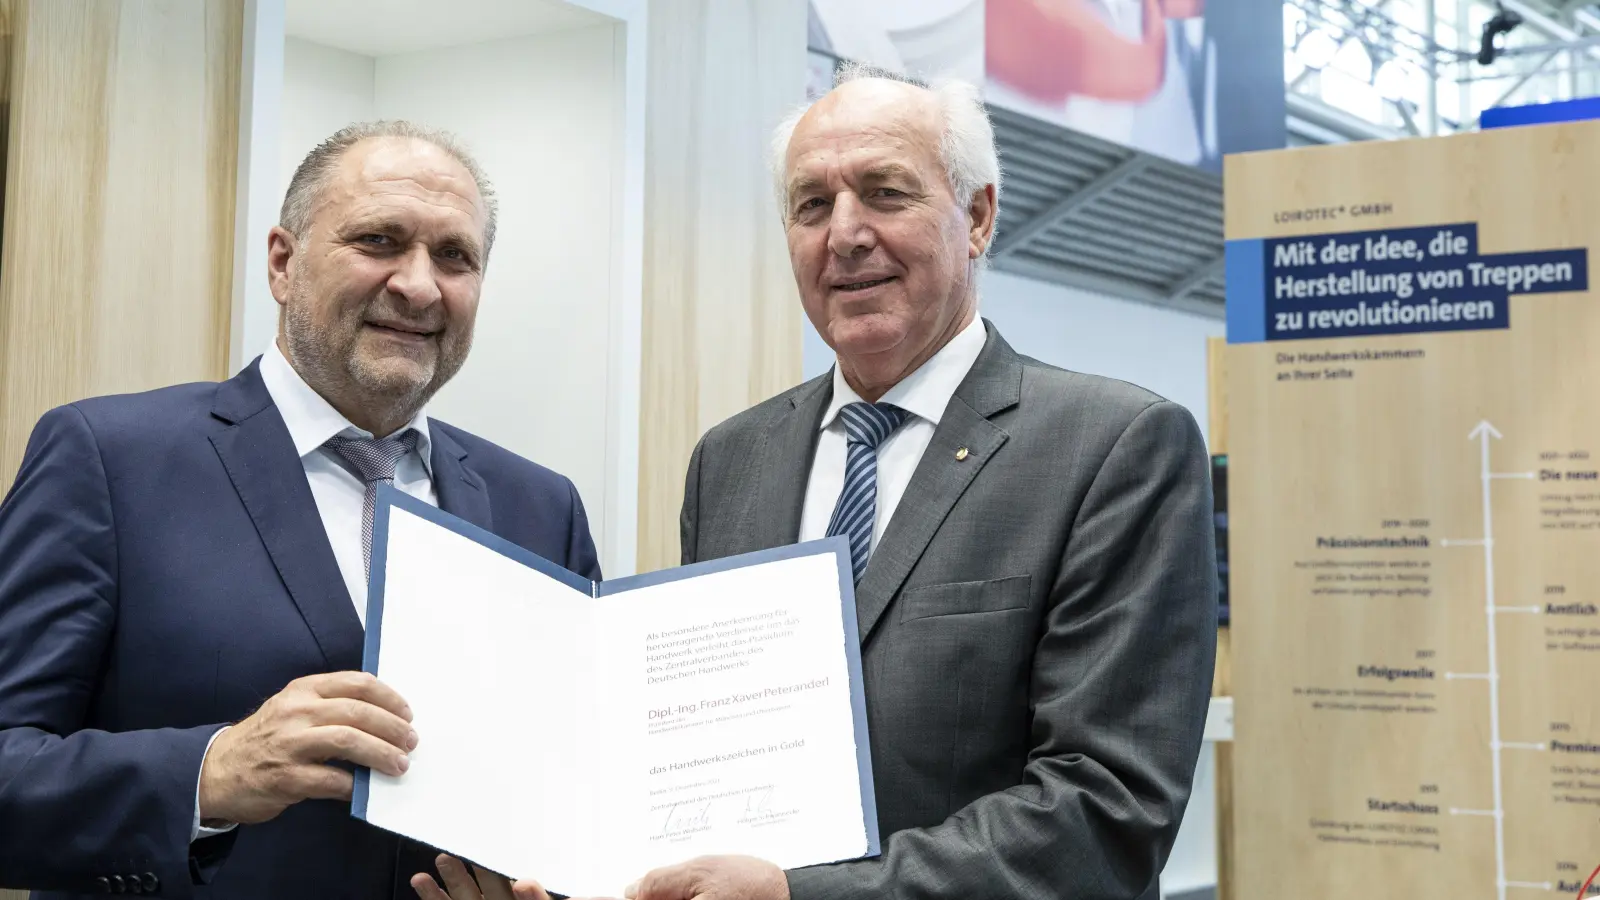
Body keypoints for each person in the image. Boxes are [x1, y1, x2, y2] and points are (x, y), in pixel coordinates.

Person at [418, 65, 1215, 900]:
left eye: (885, 192)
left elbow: (1106, 817)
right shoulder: (730, 460)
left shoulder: (1115, 448)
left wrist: (800, 895)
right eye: (811, 205)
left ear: (976, 217)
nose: (845, 233)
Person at [0, 120, 600, 899]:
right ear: (283, 263)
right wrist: (210, 772)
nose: (419, 284)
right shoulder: (110, 459)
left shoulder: (540, 507)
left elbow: (580, 792)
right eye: (379, 240)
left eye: (455, 256)